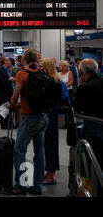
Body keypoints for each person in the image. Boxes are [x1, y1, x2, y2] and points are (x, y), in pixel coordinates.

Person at [4, 48, 49, 196]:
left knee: (19, 150)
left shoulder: (22, 74)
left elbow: (15, 95)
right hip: (43, 116)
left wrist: (11, 105)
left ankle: (21, 185)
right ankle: (38, 185)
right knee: (40, 150)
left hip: (30, 117)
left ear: (24, 59)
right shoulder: (42, 73)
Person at [40, 58, 69, 186]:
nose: (39, 68)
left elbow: (62, 99)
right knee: (46, 144)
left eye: (41, 66)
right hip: (50, 114)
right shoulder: (56, 81)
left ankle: (51, 173)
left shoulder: (54, 82)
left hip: (50, 115)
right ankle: (49, 171)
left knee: (50, 144)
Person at [73, 58, 103, 170]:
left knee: (91, 157)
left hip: (92, 125)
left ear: (81, 72)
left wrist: (80, 86)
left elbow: (76, 107)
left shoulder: (84, 87)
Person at [0, 57, 15, 129]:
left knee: (8, 108)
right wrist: (9, 79)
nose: (9, 61)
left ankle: (9, 124)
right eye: (7, 60)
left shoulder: (8, 70)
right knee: (3, 108)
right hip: (2, 93)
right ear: (4, 62)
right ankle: (4, 125)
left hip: (8, 92)